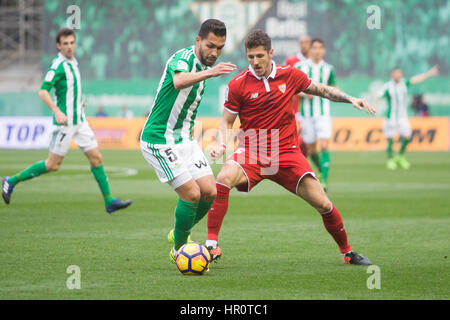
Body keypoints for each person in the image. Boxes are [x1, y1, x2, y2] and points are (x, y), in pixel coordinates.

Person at [206, 29, 376, 265]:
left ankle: (347, 253)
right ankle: (211, 246)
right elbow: (226, 120)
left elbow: (323, 90)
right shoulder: (237, 84)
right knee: (223, 177)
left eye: (259, 56)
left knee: (324, 203)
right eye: (250, 57)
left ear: (271, 53)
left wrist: (350, 99)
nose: (255, 62)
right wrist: (220, 143)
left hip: (286, 152)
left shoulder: (290, 75)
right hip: (252, 150)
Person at [1, 28, 132, 214]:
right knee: (52, 165)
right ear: (58, 46)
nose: (69, 46)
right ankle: (11, 180)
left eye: (72, 43)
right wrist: (56, 111)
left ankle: (109, 201)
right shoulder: (58, 66)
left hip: (80, 121)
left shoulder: (73, 63)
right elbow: (43, 91)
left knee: (96, 158)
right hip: (64, 124)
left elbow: (69, 92)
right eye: (65, 44)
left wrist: (79, 103)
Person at [139, 19, 237, 263]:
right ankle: (180, 251)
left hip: (185, 140)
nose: (214, 53)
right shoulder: (183, 59)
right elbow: (179, 81)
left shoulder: (203, 66)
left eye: (220, 48)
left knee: (209, 192)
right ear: (198, 41)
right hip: (159, 139)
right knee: (191, 194)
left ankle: (178, 232)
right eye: (210, 46)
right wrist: (212, 71)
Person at [377, 66, 438, 170]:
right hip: (390, 117)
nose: (398, 75)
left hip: (402, 117)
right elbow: (378, 95)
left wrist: (429, 74)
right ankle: (390, 160)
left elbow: (416, 79)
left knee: (408, 136)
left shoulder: (404, 84)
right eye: (396, 73)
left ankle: (400, 157)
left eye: (399, 73)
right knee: (390, 139)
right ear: (392, 74)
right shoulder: (387, 86)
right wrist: (374, 102)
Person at [295, 38, 336, 191]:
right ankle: (320, 170)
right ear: (310, 50)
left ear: (323, 50)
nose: (317, 51)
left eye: (320, 48)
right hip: (306, 114)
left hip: (323, 113)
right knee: (311, 149)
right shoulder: (300, 67)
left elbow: (334, 87)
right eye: (314, 48)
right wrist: (305, 94)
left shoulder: (328, 69)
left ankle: (324, 180)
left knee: (324, 145)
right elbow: (292, 88)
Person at [285, 35, 311, 157]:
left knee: (310, 143)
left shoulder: (316, 62)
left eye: (306, 42)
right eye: (301, 42)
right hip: (295, 108)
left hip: (312, 110)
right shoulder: (292, 61)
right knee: (299, 141)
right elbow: (286, 84)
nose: (304, 45)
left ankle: (306, 165)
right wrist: (305, 93)